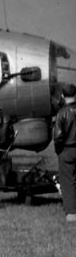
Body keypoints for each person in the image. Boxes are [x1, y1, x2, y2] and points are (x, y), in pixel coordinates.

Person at [52, 83, 76, 223]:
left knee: (67, 182)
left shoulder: (62, 113)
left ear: (62, 95)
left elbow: (58, 136)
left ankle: (72, 214)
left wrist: (59, 150)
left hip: (67, 150)